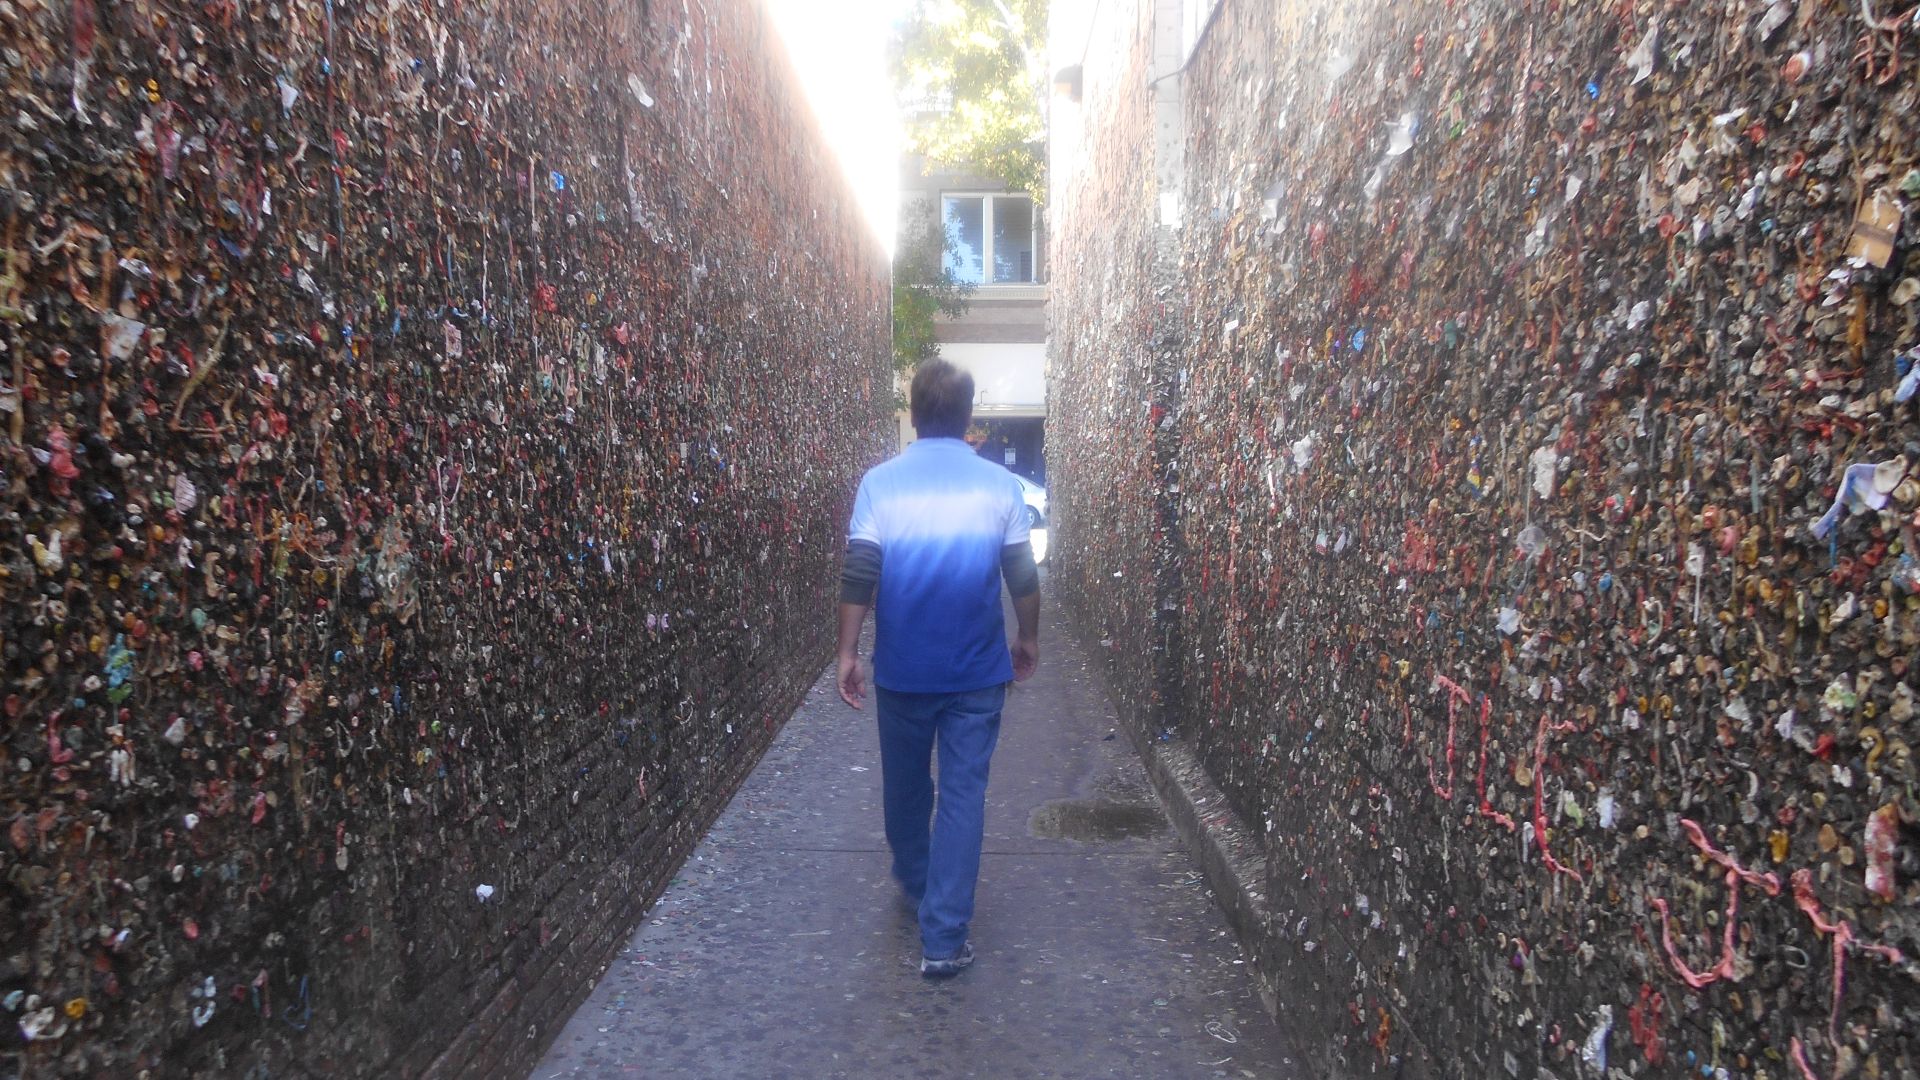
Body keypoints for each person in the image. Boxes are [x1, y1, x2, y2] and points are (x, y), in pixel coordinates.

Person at [836, 359, 1041, 978]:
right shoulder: (999, 488)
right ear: (969, 418)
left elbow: (860, 572)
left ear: (917, 413)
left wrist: (846, 652)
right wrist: (1027, 637)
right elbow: (1023, 577)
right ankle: (944, 937)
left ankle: (920, 882)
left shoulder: (880, 484)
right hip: (977, 674)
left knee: (905, 787)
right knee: (962, 796)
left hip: (902, 671)